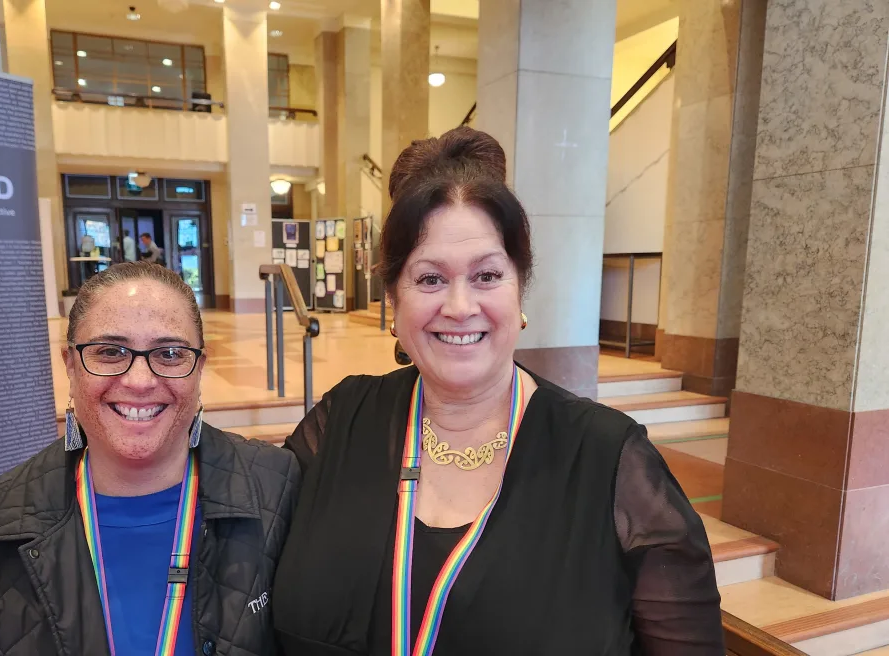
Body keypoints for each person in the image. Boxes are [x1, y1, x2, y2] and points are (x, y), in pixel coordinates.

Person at [272, 127, 724, 655]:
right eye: (430, 278)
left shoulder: (608, 461)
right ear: (393, 298)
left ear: (520, 288)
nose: (460, 306)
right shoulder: (339, 424)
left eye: (486, 276)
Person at [0, 261, 299, 656]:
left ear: (199, 366)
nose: (140, 381)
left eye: (169, 353)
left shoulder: (278, 488)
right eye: (111, 352)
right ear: (70, 365)